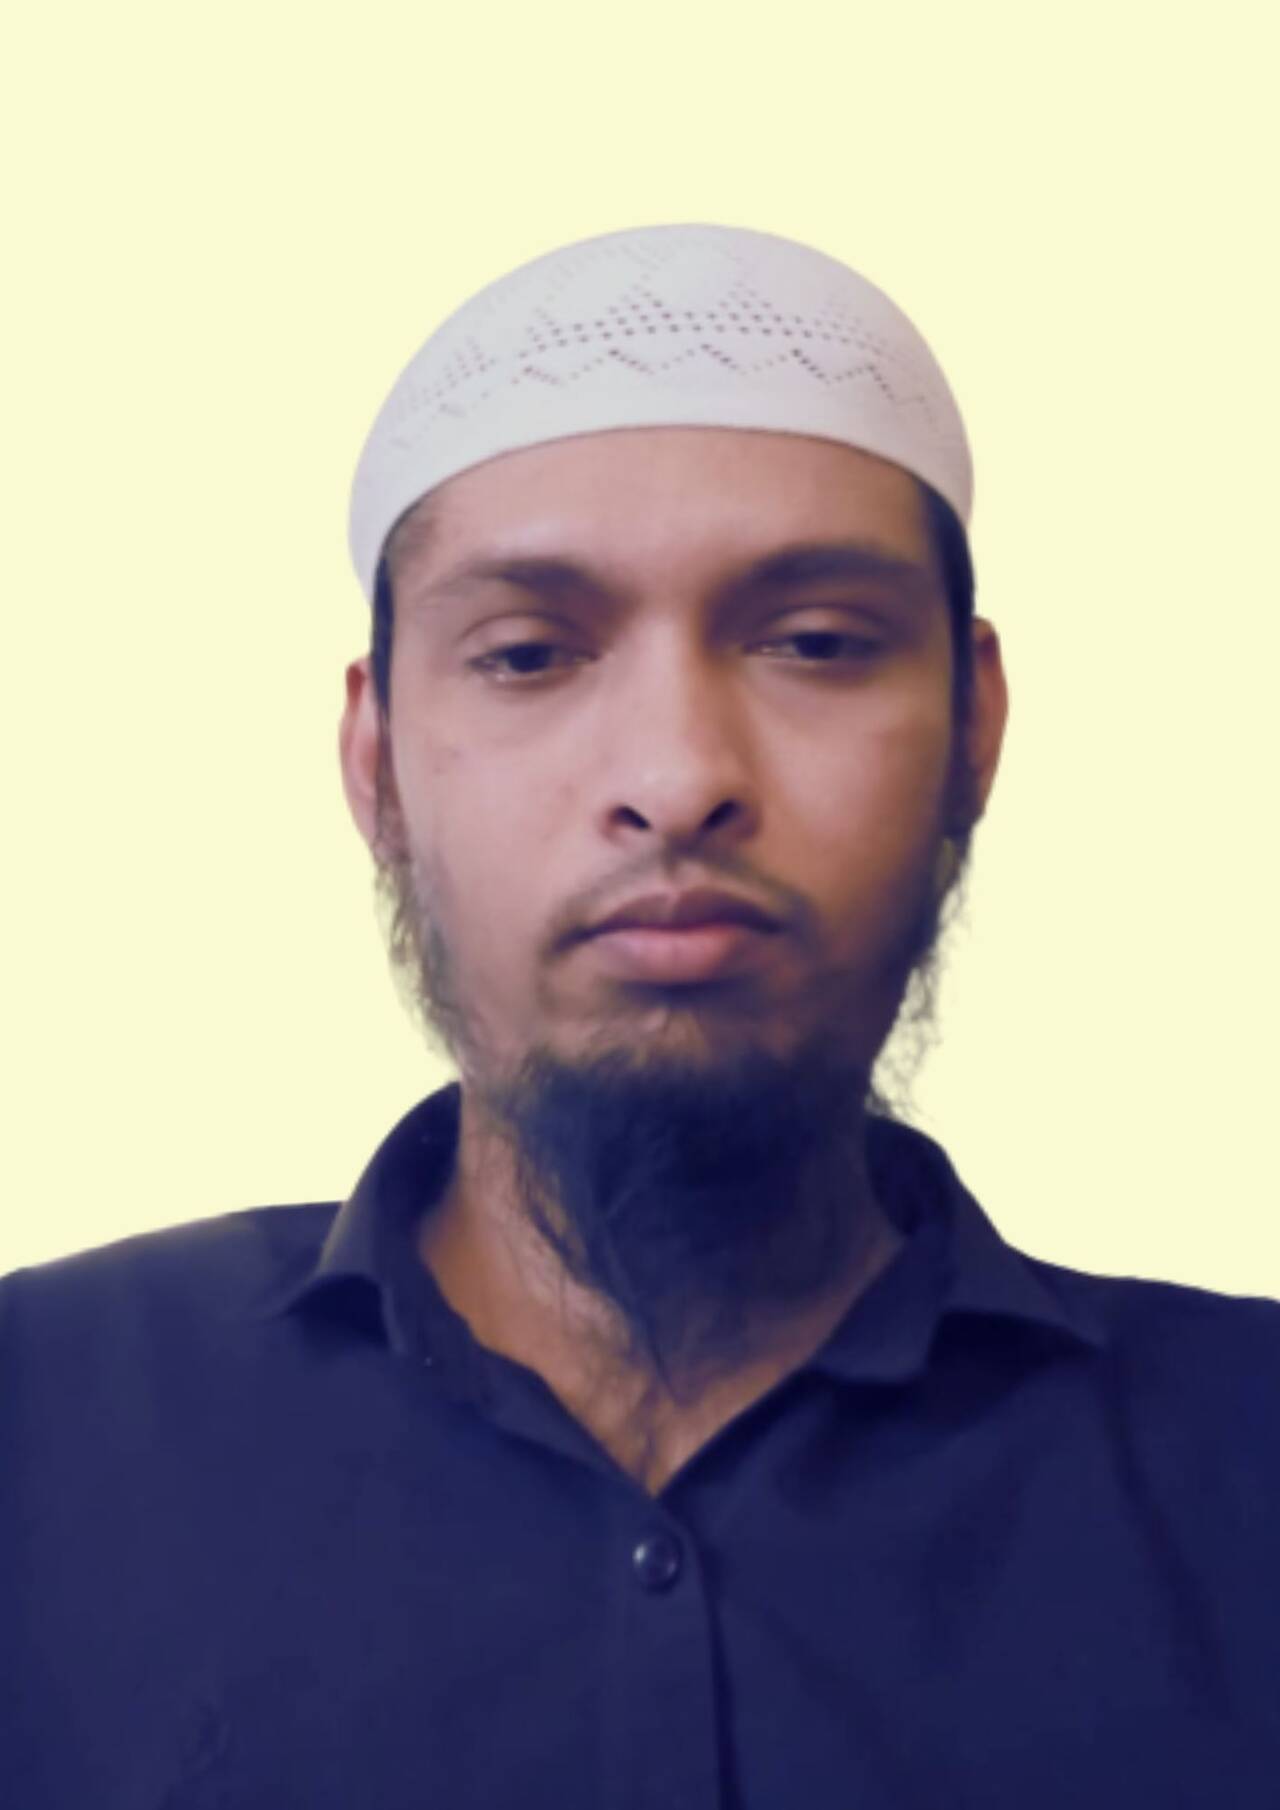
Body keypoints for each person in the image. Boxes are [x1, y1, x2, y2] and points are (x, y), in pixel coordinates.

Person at [3, 224, 1277, 1807]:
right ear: (376, 762)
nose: (676, 777)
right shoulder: (39, 1425)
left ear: (975, 728)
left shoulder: (1248, 1459)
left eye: (816, 643)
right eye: (529, 653)